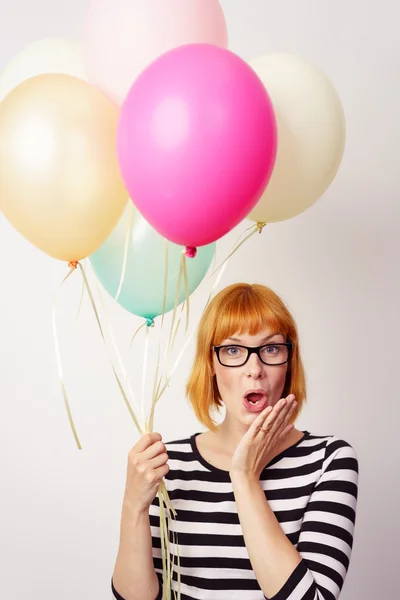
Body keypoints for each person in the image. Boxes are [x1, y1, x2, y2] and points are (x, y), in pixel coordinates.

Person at [111, 283, 359, 600]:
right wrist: (134, 504)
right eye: (233, 350)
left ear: (289, 360)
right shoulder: (169, 463)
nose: (254, 370)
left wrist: (244, 477)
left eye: (270, 349)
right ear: (211, 364)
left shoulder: (329, 460)